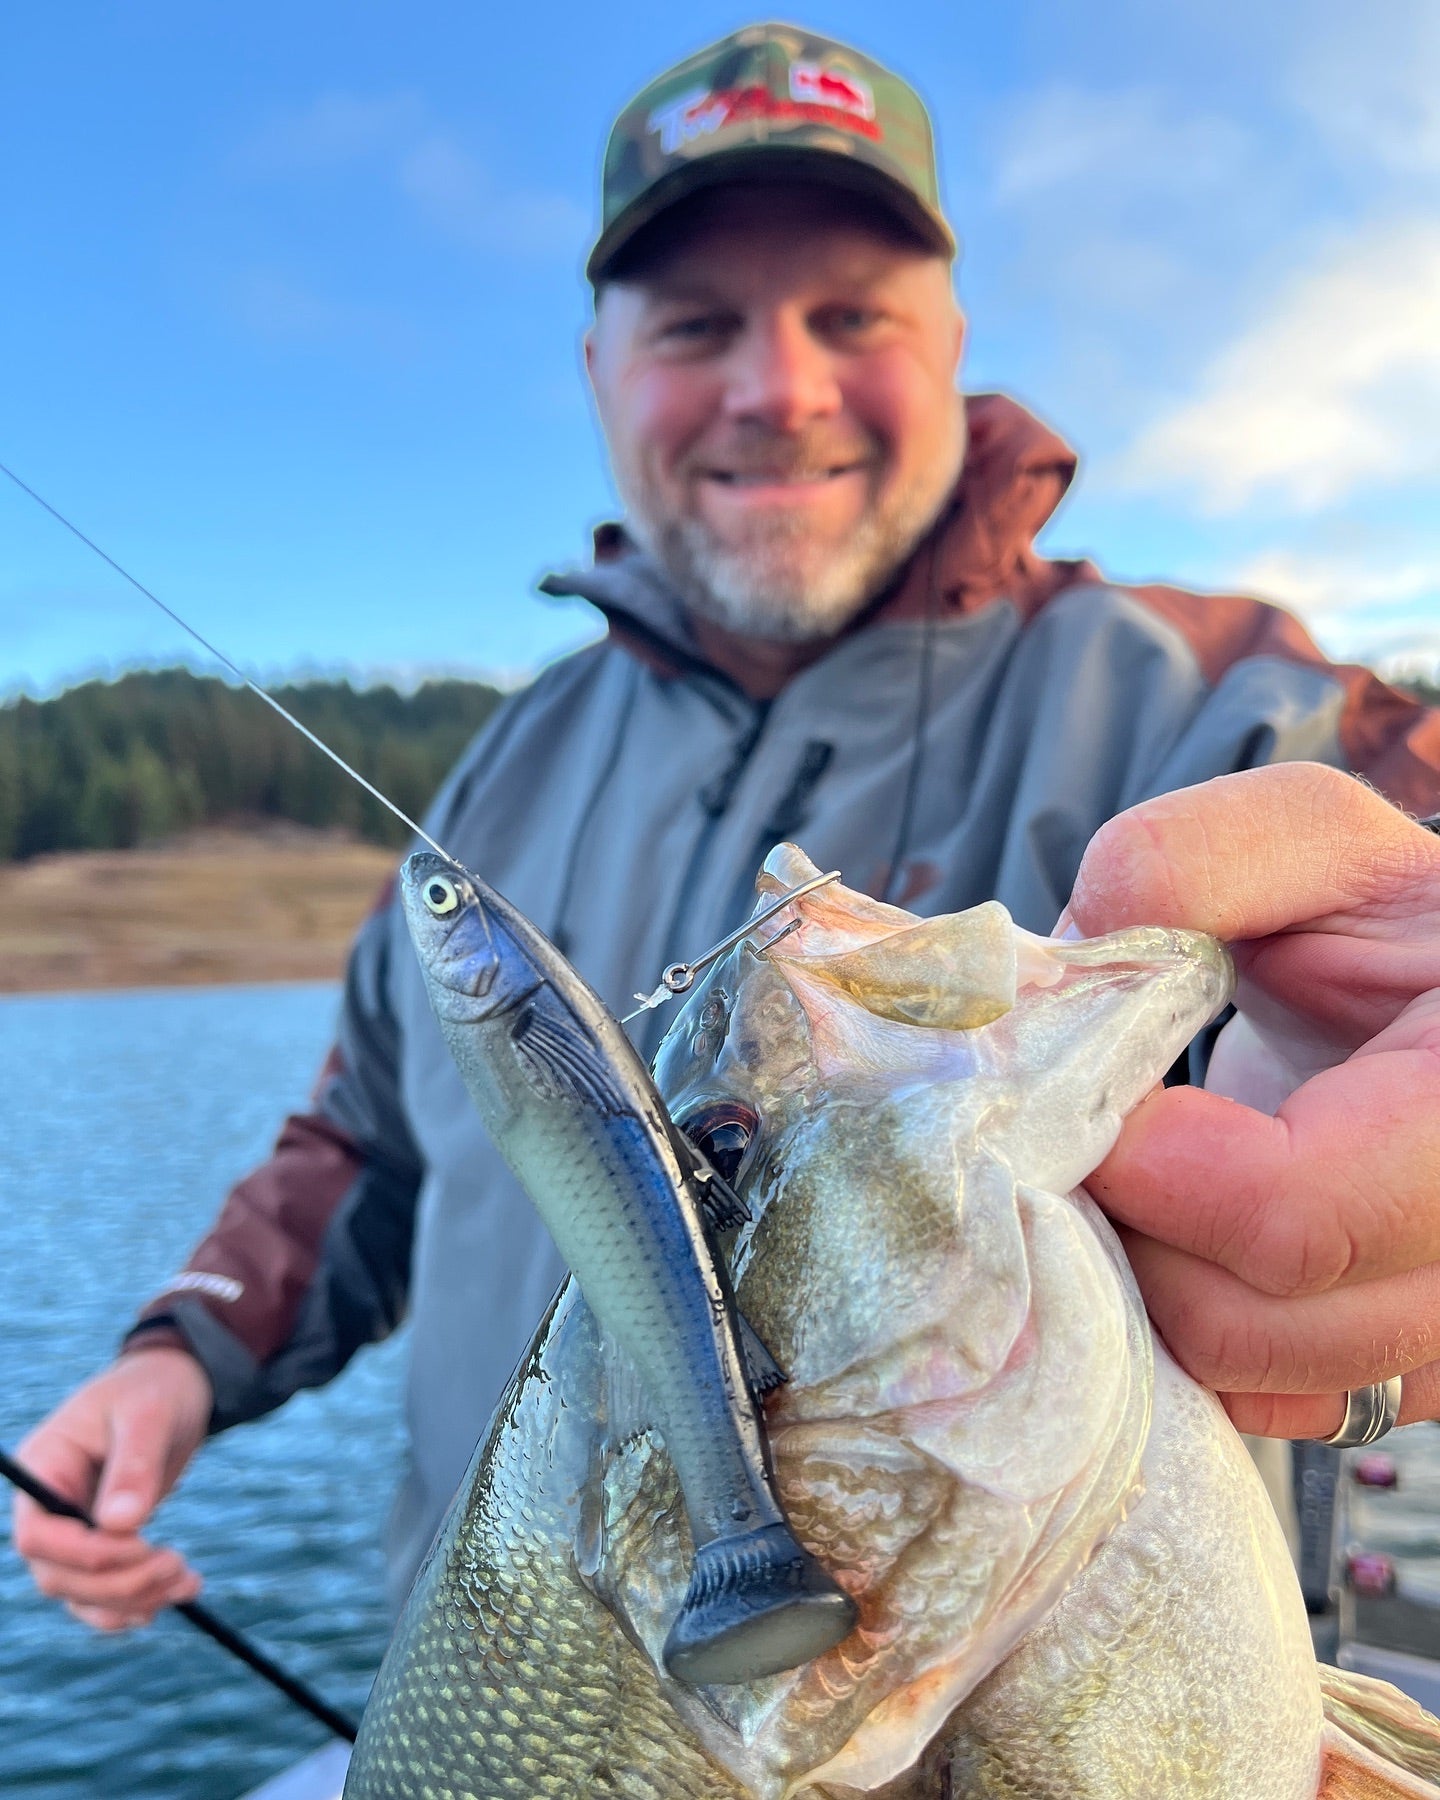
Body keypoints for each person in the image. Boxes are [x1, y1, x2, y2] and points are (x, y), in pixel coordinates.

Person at [15, 23, 1440, 1635]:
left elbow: (1410, 861)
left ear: (953, 336)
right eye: (698, 324)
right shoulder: (499, 770)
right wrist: (176, 1359)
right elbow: (369, 1145)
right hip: (505, 1712)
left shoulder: (1220, 700)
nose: (779, 389)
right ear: (598, 376)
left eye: (851, 317)